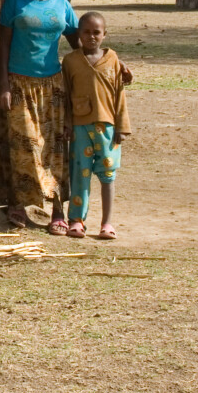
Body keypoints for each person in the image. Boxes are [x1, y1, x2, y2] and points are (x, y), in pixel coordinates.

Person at [0, 0, 79, 234]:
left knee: (55, 147)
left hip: (52, 86)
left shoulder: (62, 6)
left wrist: (108, 63)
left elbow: (80, 42)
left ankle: (57, 211)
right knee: (23, 145)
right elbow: (3, 45)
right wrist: (3, 84)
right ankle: (18, 205)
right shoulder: (15, 2)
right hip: (19, 83)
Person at [61, 12, 132, 239]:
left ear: (104, 34)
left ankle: (107, 223)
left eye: (96, 32)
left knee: (107, 174)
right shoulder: (70, 61)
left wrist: (122, 126)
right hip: (80, 128)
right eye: (86, 32)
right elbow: (66, 95)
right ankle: (76, 221)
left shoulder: (112, 59)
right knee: (79, 174)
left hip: (108, 128)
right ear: (78, 34)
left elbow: (119, 94)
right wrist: (67, 124)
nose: (91, 37)